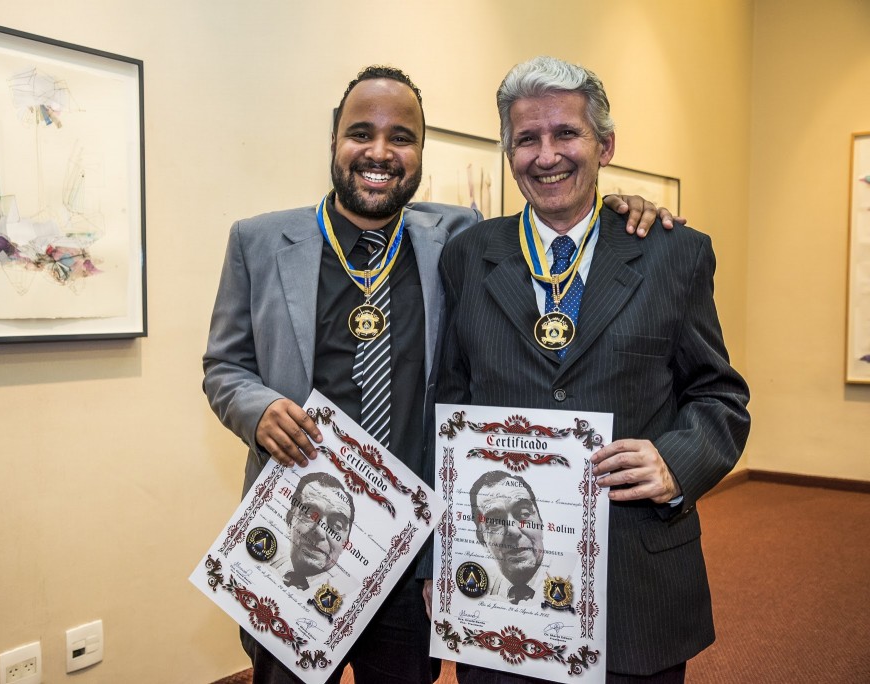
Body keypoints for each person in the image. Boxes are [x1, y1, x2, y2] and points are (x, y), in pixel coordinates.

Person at [203, 64, 677, 684]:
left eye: (401, 137)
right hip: (298, 527)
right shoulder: (260, 242)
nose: (379, 152)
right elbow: (225, 366)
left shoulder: (459, 237)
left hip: (413, 543)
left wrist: (620, 208)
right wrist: (256, 408)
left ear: (421, 151)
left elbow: (560, 214)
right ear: (333, 143)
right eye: (360, 133)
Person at [437, 56, 751, 684]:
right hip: (498, 594)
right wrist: (440, 560)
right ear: (508, 152)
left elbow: (719, 395)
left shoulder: (674, 254)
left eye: (566, 134)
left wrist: (675, 461)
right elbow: (450, 397)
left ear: (605, 146)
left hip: (635, 578)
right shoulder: (470, 256)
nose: (546, 154)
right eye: (527, 138)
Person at [469, 471, 546, 604]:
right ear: (482, 540)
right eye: (494, 522)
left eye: (524, 513)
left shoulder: (574, 577)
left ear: (541, 523)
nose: (513, 530)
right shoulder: (477, 590)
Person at [273, 472, 355, 591]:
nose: (320, 531)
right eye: (309, 514)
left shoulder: (351, 594)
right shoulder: (267, 562)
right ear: (290, 520)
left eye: (337, 525)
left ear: (345, 544)